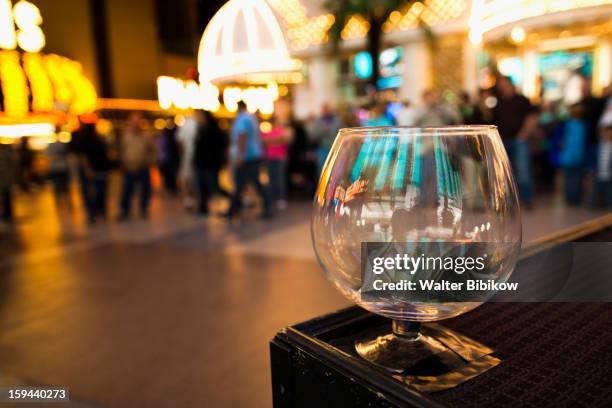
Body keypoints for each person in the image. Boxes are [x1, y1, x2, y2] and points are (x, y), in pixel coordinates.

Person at [492, 76, 538, 208]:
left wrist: (524, 133)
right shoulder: (498, 102)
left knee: (523, 171)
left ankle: (527, 200)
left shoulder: (522, 100)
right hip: (503, 141)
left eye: (504, 83)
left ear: (510, 84)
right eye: (500, 84)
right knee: (505, 171)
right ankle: (508, 202)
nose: (502, 86)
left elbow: (531, 117)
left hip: (519, 141)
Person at [225, 101, 272, 219]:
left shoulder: (242, 119)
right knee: (246, 183)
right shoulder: (251, 118)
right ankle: (233, 209)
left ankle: (232, 210)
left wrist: (240, 155)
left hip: (247, 156)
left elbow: (242, 136)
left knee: (243, 182)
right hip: (254, 155)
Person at [119, 111, 157, 220]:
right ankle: (125, 210)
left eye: (138, 120)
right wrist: (123, 162)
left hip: (143, 167)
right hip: (129, 168)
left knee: (145, 189)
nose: (136, 123)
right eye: (133, 120)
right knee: (127, 190)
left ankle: (143, 208)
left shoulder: (146, 136)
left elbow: (153, 151)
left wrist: (150, 161)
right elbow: (122, 151)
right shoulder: (126, 136)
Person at [193, 110, 230, 216]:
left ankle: (234, 199)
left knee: (214, 186)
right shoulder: (201, 130)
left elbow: (220, 147)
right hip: (202, 163)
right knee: (202, 187)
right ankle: (203, 208)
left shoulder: (213, 130)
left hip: (211, 164)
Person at [74, 122, 111, 223]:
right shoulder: (88, 142)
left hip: (100, 170)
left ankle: (99, 212)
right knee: (96, 193)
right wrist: (88, 170)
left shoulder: (97, 140)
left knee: (98, 193)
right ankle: (95, 213)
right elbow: (83, 158)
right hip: (95, 171)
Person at [262, 100, 294, 210]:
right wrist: (275, 140)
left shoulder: (284, 129)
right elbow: (264, 141)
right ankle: (273, 198)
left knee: (280, 179)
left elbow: (285, 139)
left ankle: (281, 198)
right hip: (270, 157)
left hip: (280, 157)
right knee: (271, 179)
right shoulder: (270, 130)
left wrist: (272, 140)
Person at [559, 103, 587, 206]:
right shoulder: (568, 125)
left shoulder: (583, 125)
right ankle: (570, 198)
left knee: (577, 178)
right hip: (569, 156)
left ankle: (576, 198)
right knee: (570, 179)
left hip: (578, 156)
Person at [311, 103, 342, 175]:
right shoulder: (318, 121)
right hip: (323, 149)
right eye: (324, 109)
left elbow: (342, 131)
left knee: (336, 169)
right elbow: (313, 135)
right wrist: (322, 131)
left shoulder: (337, 119)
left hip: (336, 148)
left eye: (327, 108)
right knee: (323, 170)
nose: (326, 110)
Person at [176, 112, 198, 209]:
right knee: (191, 178)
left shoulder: (186, 125)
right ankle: (191, 199)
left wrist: (182, 154)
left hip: (188, 156)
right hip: (195, 157)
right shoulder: (197, 124)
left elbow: (180, 141)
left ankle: (188, 199)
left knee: (186, 178)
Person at [157, 119, 180, 194]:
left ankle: (170, 187)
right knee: (169, 175)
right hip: (166, 158)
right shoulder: (170, 135)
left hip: (167, 158)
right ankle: (170, 187)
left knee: (169, 175)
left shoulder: (168, 135)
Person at [0, 143, 16, 223]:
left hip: (5, 180)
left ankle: (7, 213)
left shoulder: (4, 154)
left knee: (6, 197)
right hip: (6, 180)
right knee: (6, 197)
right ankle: (7, 213)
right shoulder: (8, 154)